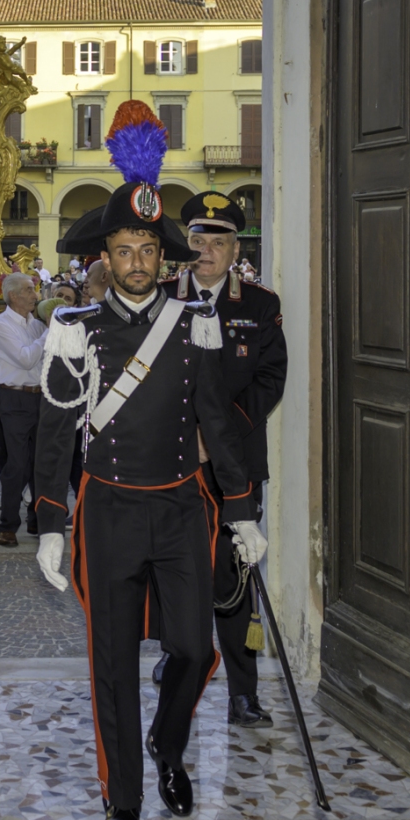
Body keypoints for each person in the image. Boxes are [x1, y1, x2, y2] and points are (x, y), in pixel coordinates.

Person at [32, 108, 264, 820]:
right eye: (123, 250)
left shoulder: (195, 326)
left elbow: (220, 424)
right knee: (111, 662)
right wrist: (48, 522)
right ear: (104, 256)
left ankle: (168, 741)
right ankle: (124, 798)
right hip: (106, 512)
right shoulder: (75, 333)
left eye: (146, 249)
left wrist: (244, 509)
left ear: (164, 256)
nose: (136, 261)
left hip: (181, 509)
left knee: (195, 651)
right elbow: (53, 433)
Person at [151, 191, 289, 724]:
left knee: (233, 578)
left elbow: (268, 380)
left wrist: (219, 436)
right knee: (173, 565)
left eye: (219, 241)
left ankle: (242, 691)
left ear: (236, 249)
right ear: (184, 245)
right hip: (172, 463)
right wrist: (189, 438)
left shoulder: (259, 305)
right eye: (198, 240)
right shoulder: (159, 299)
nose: (207, 250)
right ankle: (177, 652)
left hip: (235, 465)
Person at [0, 272, 46, 547]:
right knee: (17, 464)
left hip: (39, 397)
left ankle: (37, 519)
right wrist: (51, 334)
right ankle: (7, 525)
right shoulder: (1, 326)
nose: (35, 294)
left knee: (39, 464)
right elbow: (25, 359)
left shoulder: (35, 324)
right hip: (15, 398)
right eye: (29, 290)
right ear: (13, 296)